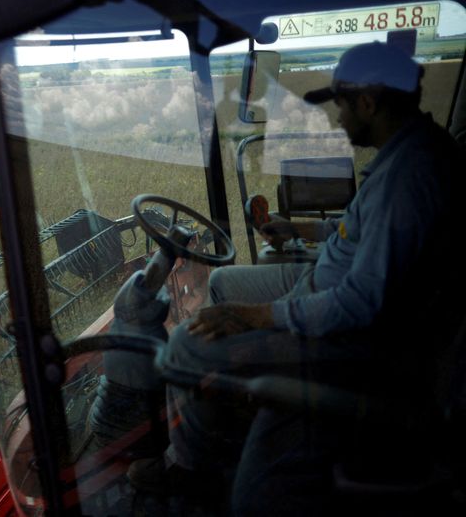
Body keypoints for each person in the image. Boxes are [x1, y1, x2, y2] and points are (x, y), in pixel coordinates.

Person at [126, 41, 464, 515]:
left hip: (349, 344)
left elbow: (361, 302)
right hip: (329, 298)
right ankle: (220, 417)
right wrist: (301, 228)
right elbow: (362, 233)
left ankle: (191, 469)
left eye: (343, 105)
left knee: (185, 344)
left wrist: (257, 316)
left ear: (368, 101)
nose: (338, 119)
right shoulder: (408, 157)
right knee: (224, 287)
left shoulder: (410, 177)